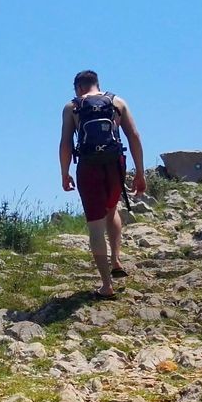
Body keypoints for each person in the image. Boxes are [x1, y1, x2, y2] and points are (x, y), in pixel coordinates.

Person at [60, 70, 146, 299]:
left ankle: (107, 285)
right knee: (112, 209)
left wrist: (64, 173)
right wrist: (139, 173)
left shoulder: (72, 107)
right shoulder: (117, 102)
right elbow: (134, 136)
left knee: (95, 226)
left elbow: (66, 143)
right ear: (98, 84)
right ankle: (116, 259)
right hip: (115, 164)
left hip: (88, 167)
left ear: (78, 88)